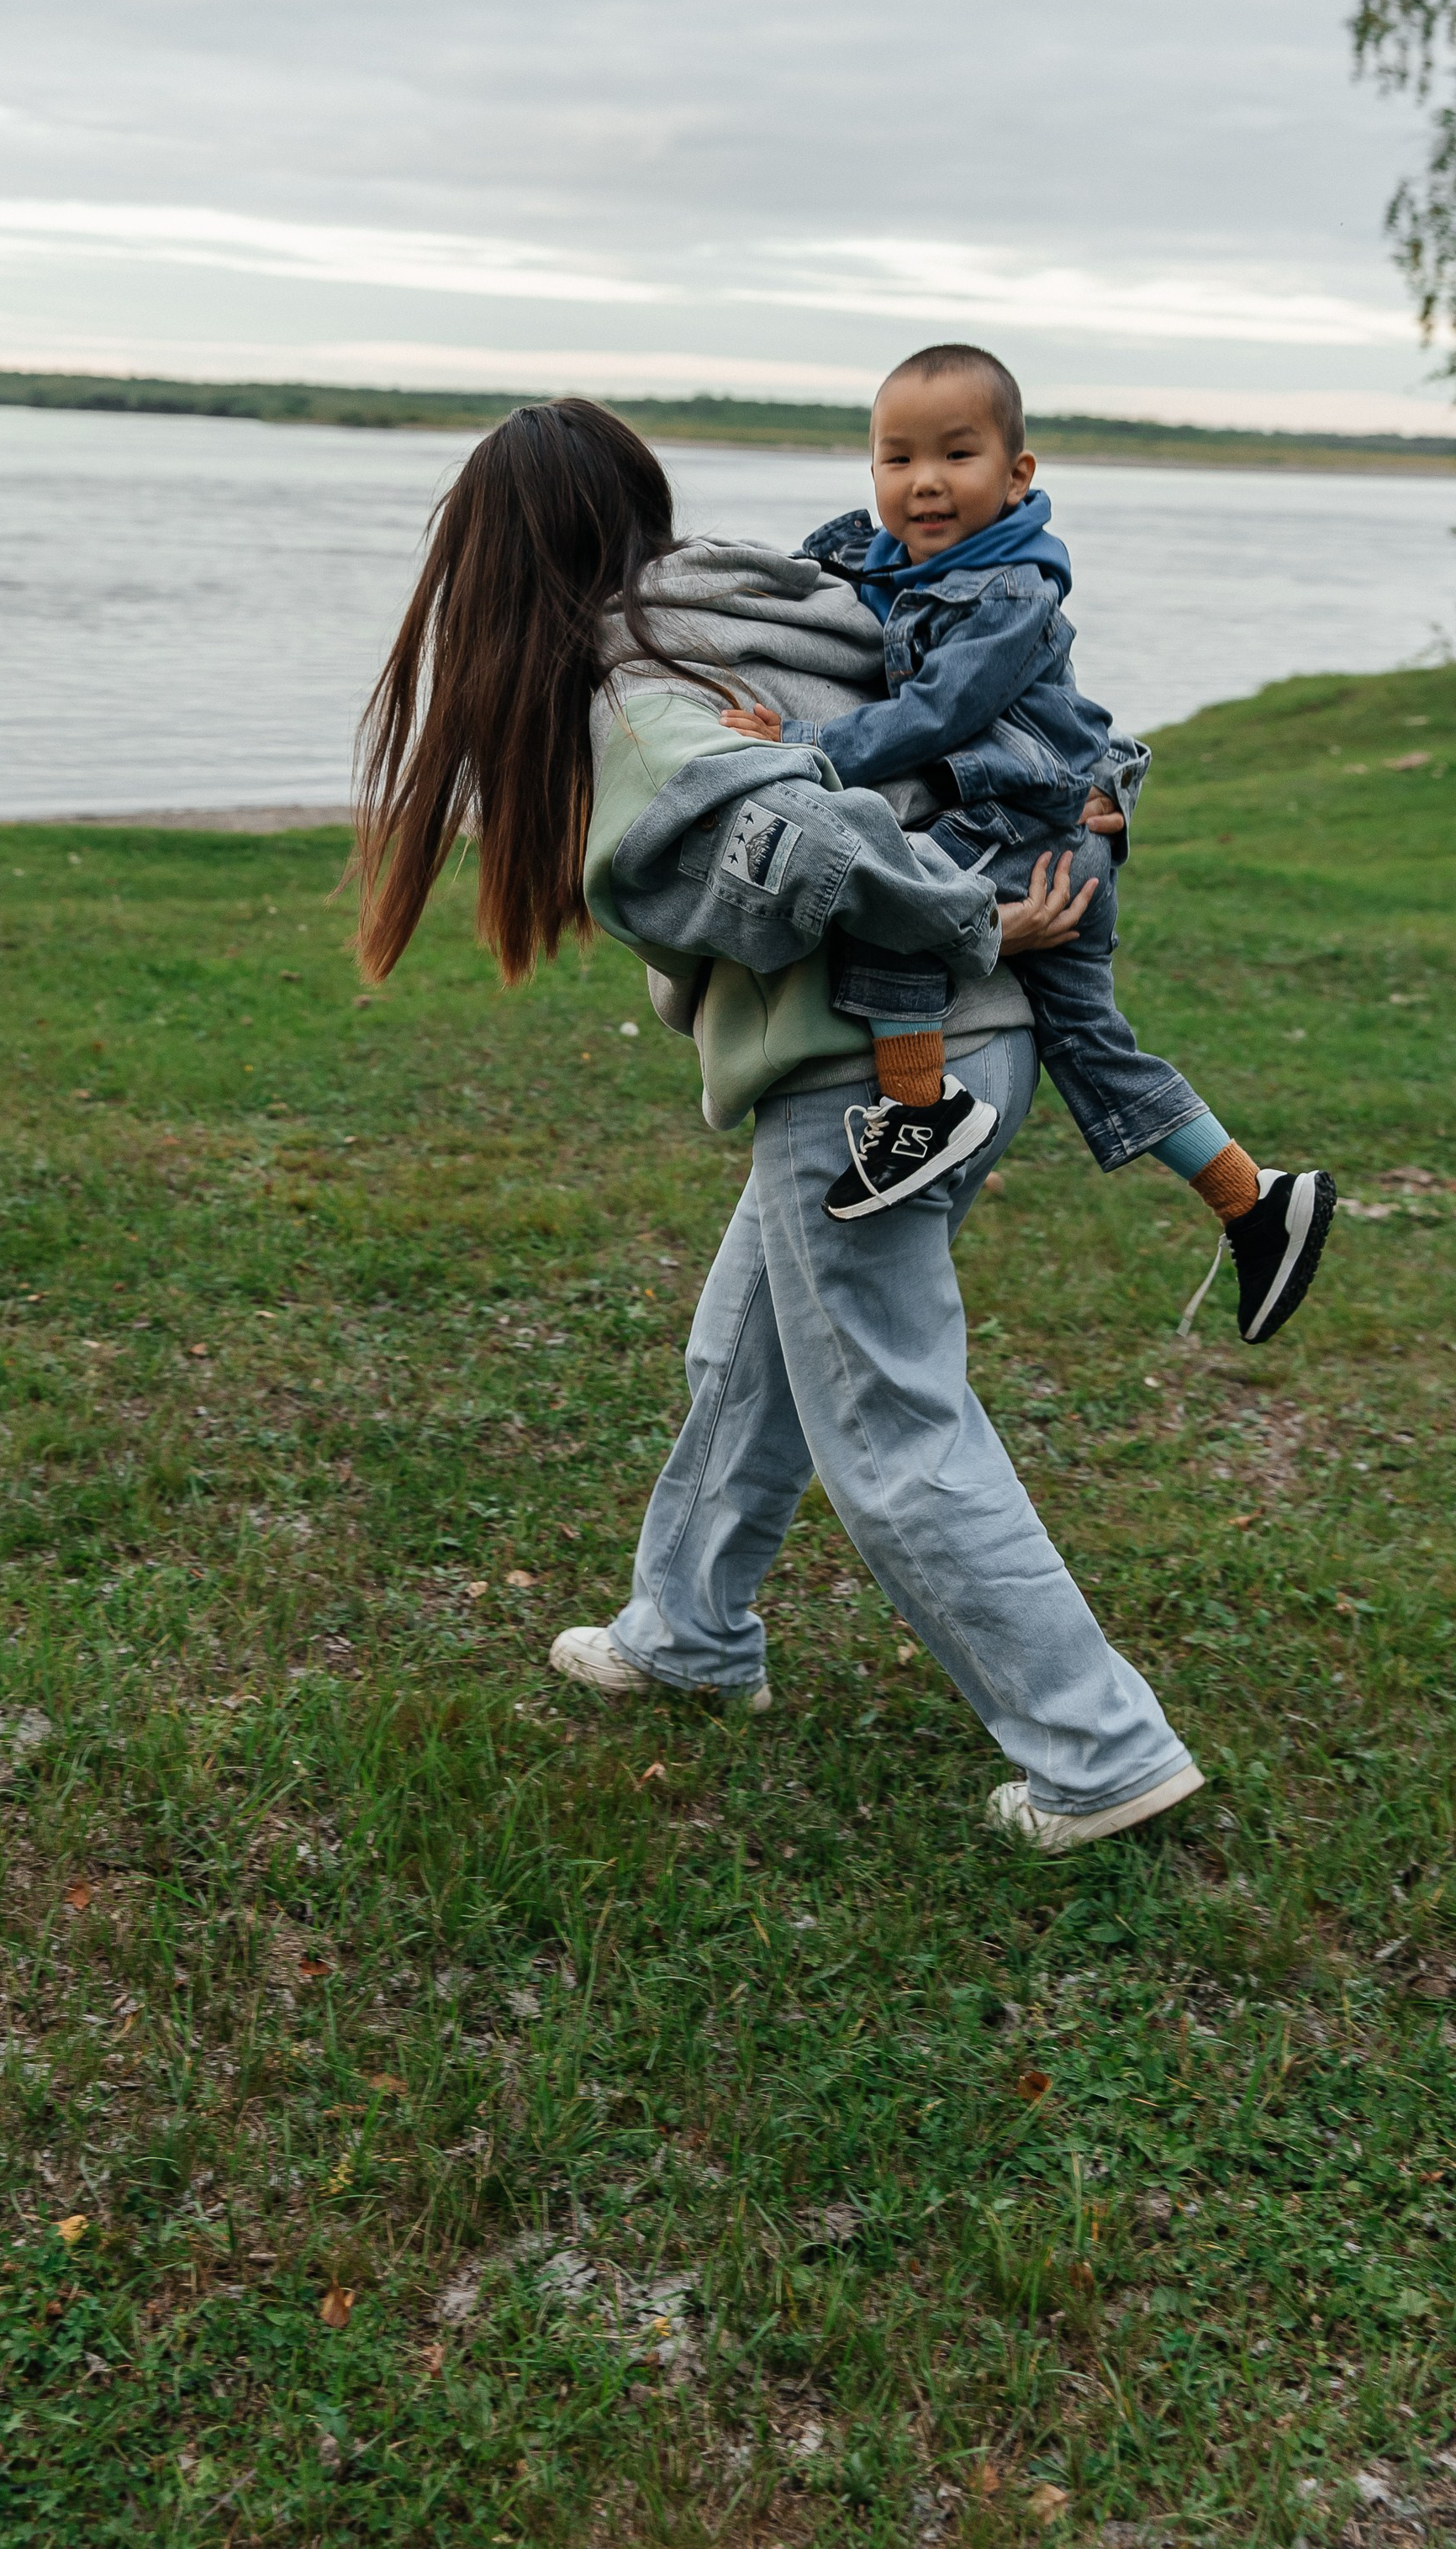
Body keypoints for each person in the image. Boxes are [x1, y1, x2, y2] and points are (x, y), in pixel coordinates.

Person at [352, 394, 1203, 1853]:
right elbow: (1017, 717)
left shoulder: (635, 688)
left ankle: (1098, 1753)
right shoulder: (776, 608)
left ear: (494, 566)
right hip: (960, 1057)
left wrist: (965, 918)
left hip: (870, 1067)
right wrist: (1045, 855)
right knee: (741, 1356)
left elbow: (786, 844)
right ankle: (684, 1629)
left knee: (887, 1420)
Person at [718, 341, 1335, 1348]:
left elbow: (929, 714)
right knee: (1091, 1043)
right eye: (894, 457)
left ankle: (919, 1106)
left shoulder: (1005, 593)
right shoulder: (911, 565)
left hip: (1019, 829)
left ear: (1015, 476)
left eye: (955, 455)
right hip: (1055, 835)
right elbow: (1072, 715)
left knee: (893, 889)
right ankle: (1252, 1197)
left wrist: (797, 743)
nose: (922, 481)